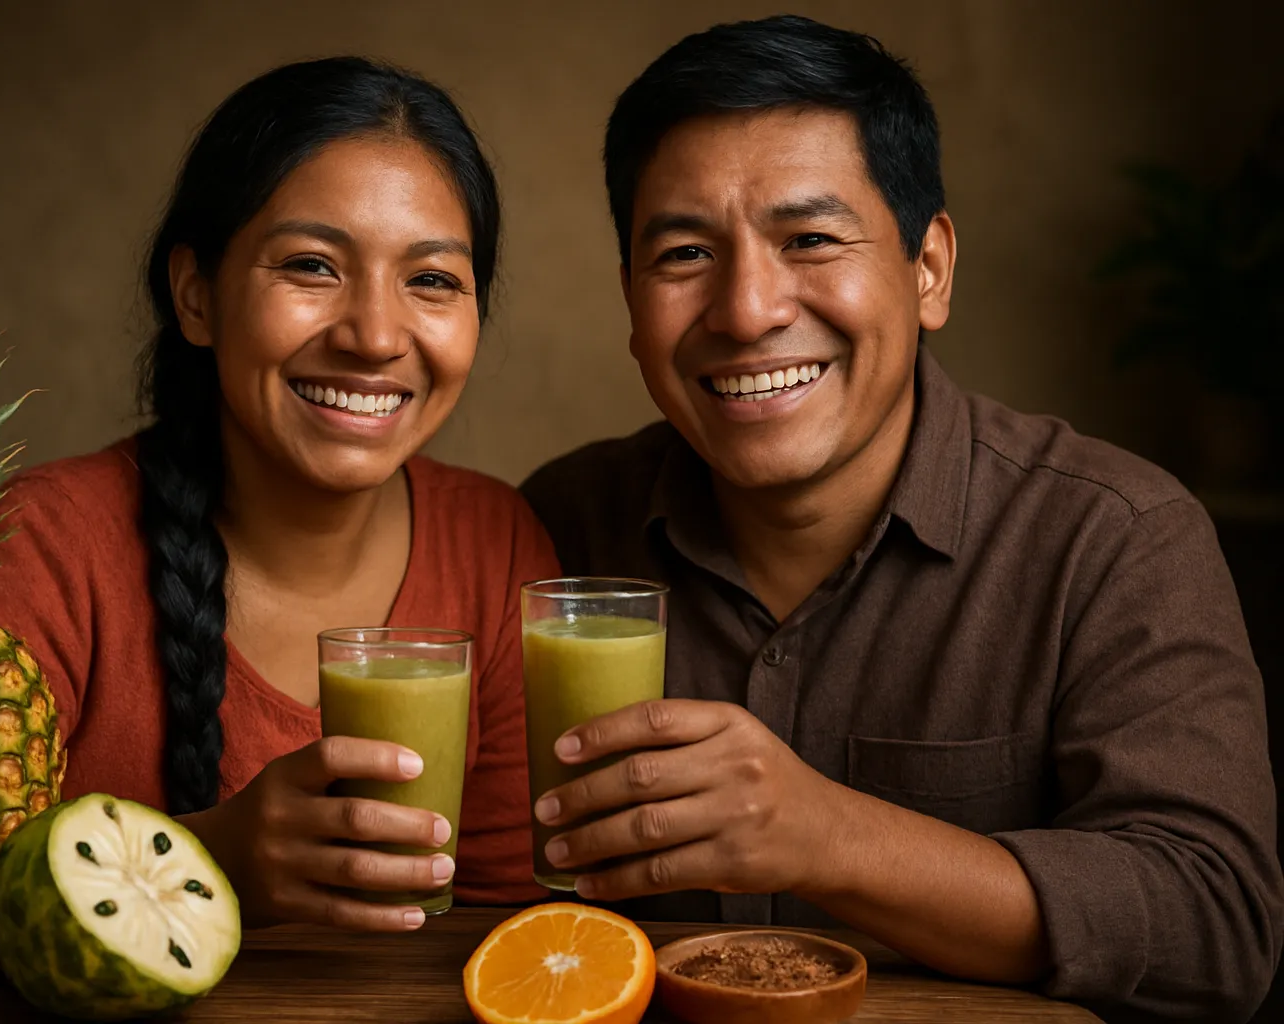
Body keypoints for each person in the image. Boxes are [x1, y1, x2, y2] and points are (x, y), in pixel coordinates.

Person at [519, 14, 1281, 1023]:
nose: (746, 309)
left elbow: (1217, 923)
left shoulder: (1113, 534)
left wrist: (828, 836)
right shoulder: (557, 526)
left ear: (930, 270)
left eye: (811, 240)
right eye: (685, 254)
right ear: (630, 300)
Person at [0, 57, 557, 932]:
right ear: (196, 294)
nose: (374, 335)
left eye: (432, 279)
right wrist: (215, 859)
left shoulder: (495, 542)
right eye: (313, 266)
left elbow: (514, 930)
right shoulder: (37, 546)